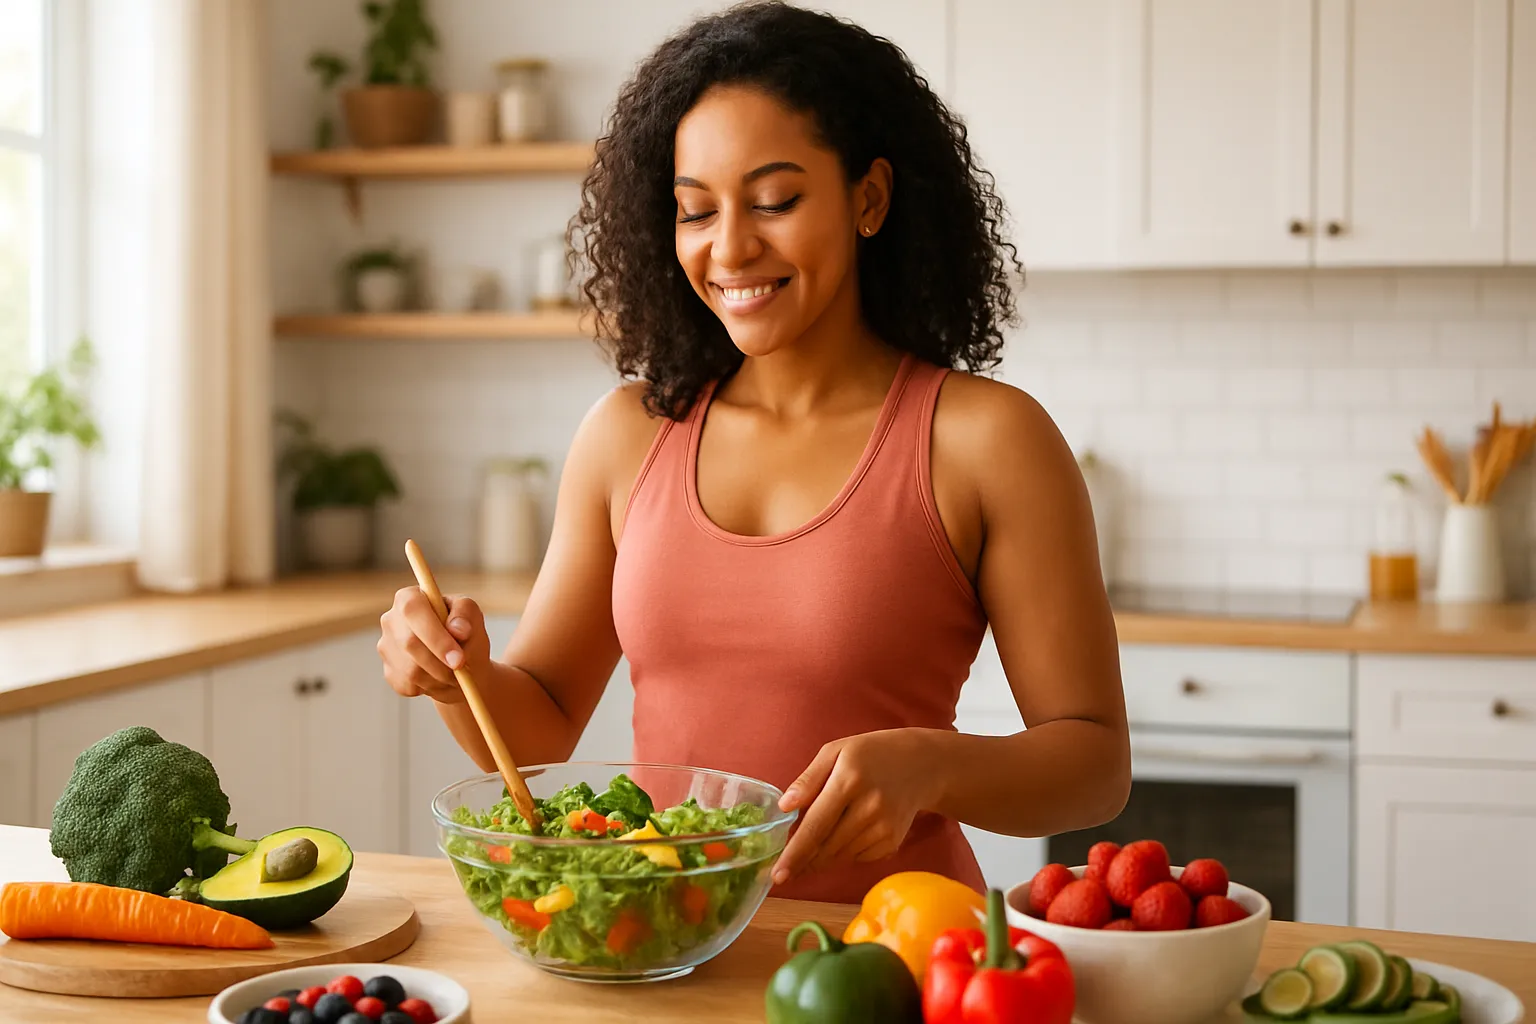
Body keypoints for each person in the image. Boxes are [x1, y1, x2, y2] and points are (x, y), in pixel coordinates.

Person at [377, 0, 1130, 904]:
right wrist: (455, 679)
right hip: (667, 946)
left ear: (869, 198)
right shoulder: (627, 436)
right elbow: (536, 727)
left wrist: (931, 767)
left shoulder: (986, 440)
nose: (729, 247)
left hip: (895, 954)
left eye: (775, 201)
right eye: (696, 211)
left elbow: (1092, 763)